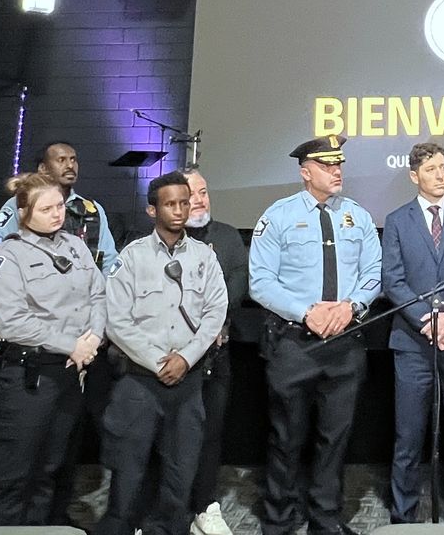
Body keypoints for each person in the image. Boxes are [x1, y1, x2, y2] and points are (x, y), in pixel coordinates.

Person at [247, 134, 382, 535]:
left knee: (335, 439)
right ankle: (279, 520)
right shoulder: (279, 216)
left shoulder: (358, 216)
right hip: (294, 345)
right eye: (327, 165)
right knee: (286, 439)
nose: (336, 171)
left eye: (339, 164)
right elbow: (260, 282)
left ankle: (325, 519)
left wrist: (351, 306)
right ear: (306, 173)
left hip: (344, 343)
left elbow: (373, 273)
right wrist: (306, 312)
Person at [0, 171, 107, 525]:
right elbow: (10, 322)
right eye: (46, 209)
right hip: (28, 379)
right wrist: (70, 345)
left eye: (59, 206)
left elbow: (98, 294)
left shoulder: (76, 246)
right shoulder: (8, 256)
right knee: (12, 475)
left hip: (70, 375)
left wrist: (93, 338)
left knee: (50, 471)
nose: (56, 214)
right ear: (23, 213)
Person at [100, 171, 229, 535]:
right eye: (170, 204)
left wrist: (185, 358)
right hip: (140, 380)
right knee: (129, 471)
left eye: (184, 203)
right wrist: (159, 361)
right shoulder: (132, 257)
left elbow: (215, 313)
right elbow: (117, 321)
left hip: (188, 381)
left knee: (180, 472)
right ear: (152, 210)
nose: (179, 210)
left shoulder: (204, 257)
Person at [380, 142, 444, 524]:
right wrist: (427, 319)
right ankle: (403, 518)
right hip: (412, 342)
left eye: (443, 167)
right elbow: (393, 281)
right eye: (431, 169)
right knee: (408, 438)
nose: (440, 175)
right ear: (414, 176)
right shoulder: (397, 220)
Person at [184, 165, 249, 535]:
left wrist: (212, 325)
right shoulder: (157, 239)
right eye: (190, 194)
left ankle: (204, 505)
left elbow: (236, 285)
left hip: (215, 356)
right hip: (170, 358)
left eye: (203, 192)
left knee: (211, 434)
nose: (199, 201)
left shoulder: (226, 236)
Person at [0, 141, 121, 271]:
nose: (70, 165)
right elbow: (1, 251)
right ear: (43, 168)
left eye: (73, 160)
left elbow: (109, 259)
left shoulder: (92, 209)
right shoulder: (20, 203)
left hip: (86, 280)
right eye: (61, 160)